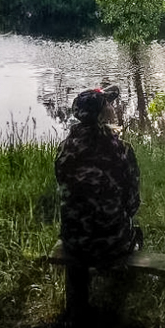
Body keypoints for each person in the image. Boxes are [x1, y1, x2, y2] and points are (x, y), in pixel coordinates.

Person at [55, 85, 142, 265]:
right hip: (113, 243)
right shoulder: (122, 149)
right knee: (137, 233)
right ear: (104, 114)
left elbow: (63, 189)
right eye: (108, 105)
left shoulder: (64, 149)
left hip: (73, 241)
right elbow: (133, 202)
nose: (112, 107)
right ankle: (123, 284)